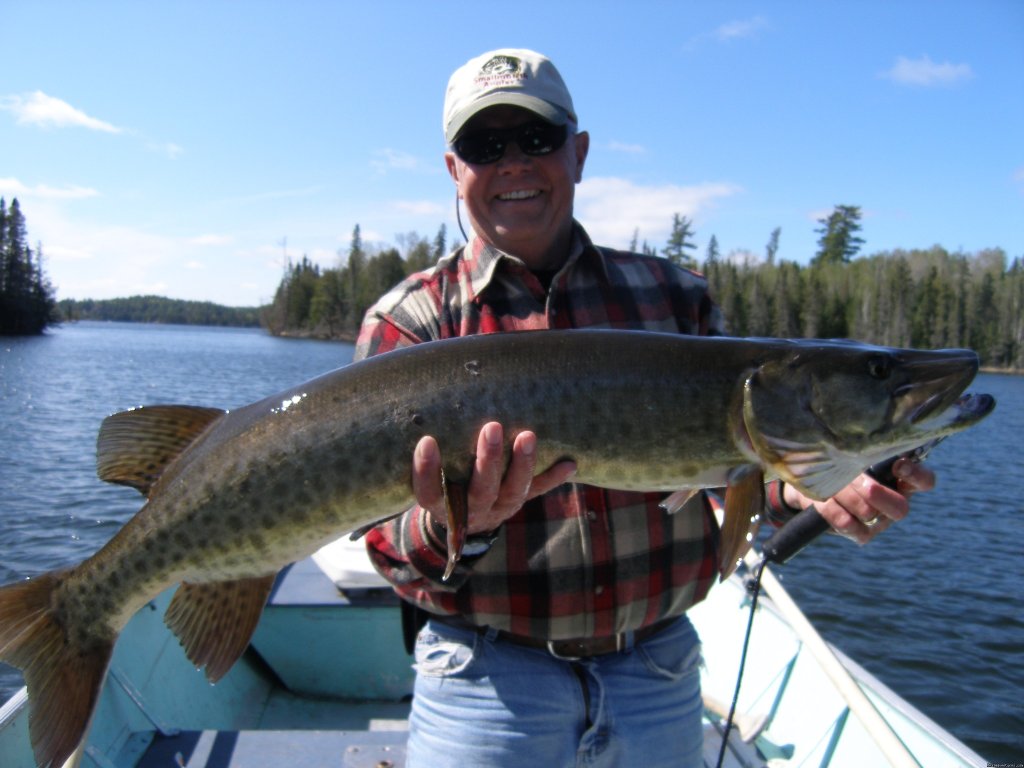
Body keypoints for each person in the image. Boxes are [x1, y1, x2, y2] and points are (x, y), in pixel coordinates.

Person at [355, 48, 935, 768]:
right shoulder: (411, 323)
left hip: (655, 675)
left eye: (536, 138)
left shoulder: (674, 298)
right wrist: (450, 525)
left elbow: (739, 482)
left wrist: (816, 486)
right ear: (454, 169)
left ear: (580, 152)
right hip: (486, 682)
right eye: (484, 145)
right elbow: (384, 544)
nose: (512, 163)